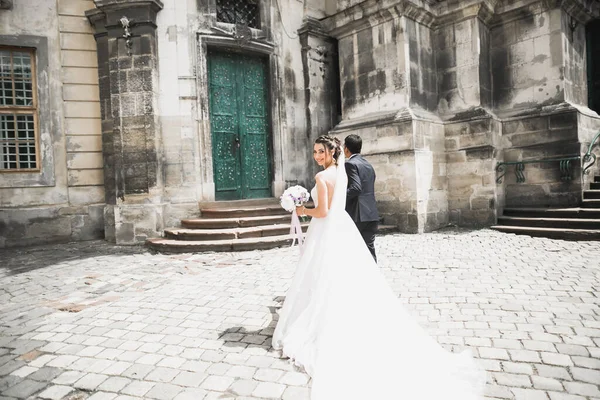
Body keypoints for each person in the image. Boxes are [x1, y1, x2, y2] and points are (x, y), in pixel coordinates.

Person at [272, 135, 486, 400]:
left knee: (324, 275)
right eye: (314, 151)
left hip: (327, 229)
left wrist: (303, 209)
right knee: (338, 275)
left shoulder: (321, 178)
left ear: (331, 151)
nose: (316, 155)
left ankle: (326, 323)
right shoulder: (340, 171)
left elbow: (323, 211)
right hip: (343, 227)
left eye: (320, 151)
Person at [343, 134, 379, 262]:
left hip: (358, 214)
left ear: (346, 148)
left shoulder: (350, 164)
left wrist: (340, 197)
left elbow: (356, 188)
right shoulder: (368, 164)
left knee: (355, 249)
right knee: (369, 249)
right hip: (371, 213)